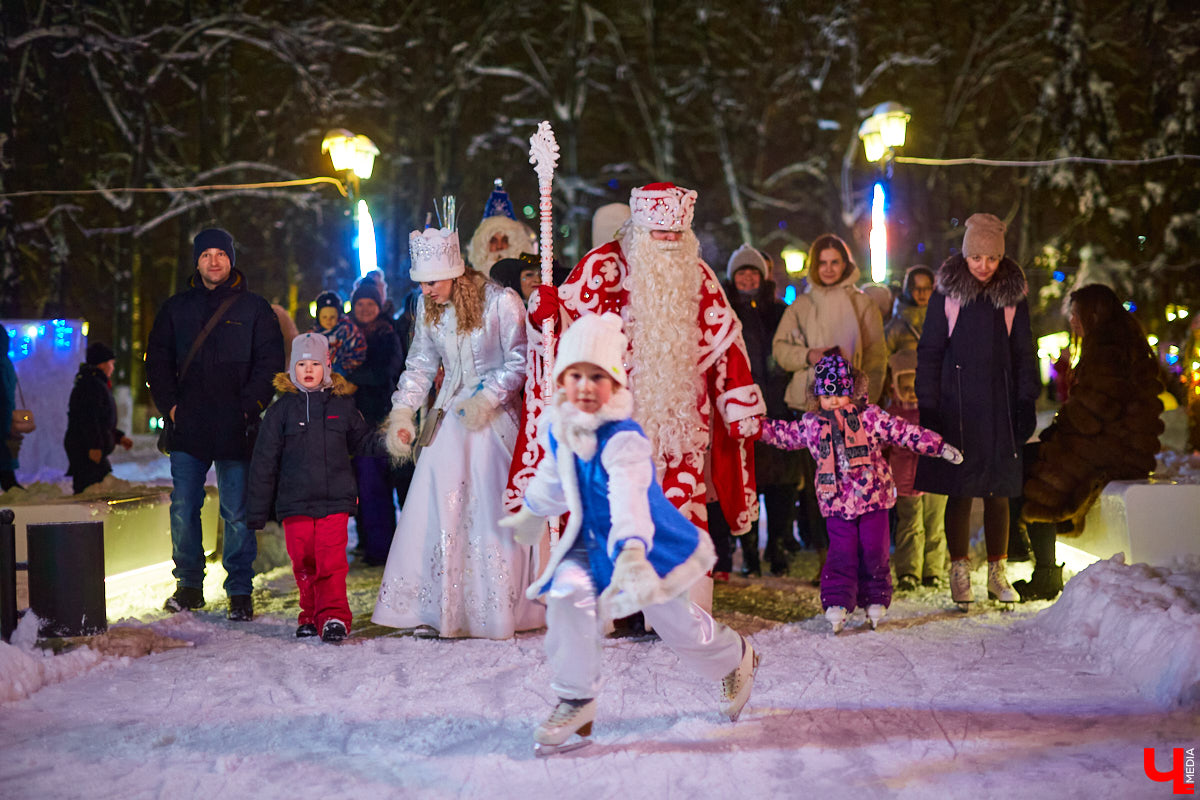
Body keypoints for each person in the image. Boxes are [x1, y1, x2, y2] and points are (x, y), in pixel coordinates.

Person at [499, 313, 760, 754]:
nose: (584, 386)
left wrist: (634, 549)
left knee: (673, 622)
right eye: (575, 374)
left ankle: (733, 656)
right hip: (591, 540)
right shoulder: (562, 429)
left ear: (615, 384)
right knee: (567, 597)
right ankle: (575, 698)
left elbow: (629, 498)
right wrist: (533, 511)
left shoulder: (624, 440)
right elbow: (552, 476)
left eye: (596, 376)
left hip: (640, 541)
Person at [515, 182, 764, 613]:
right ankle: (624, 609)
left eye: (676, 237)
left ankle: (679, 611)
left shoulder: (699, 275)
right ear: (640, 231)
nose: (669, 244)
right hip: (617, 421)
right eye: (660, 235)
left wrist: (737, 398)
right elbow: (566, 327)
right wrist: (545, 313)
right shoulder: (601, 267)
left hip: (682, 423)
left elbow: (726, 342)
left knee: (680, 515)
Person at [373, 223, 544, 639]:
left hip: (493, 420)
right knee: (438, 509)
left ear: (452, 272)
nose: (426, 291)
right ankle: (440, 608)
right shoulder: (427, 308)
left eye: (431, 283)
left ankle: (497, 608)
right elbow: (420, 365)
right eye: (421, 284)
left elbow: (519, 361)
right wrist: (403, 412)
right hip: (448, 420)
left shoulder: (500, 302)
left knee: (489, 510)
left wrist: (485, 400)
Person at [761, 350, 961, 632]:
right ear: (817, 395)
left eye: (838, 393)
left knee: (874, 550)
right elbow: (784, 434)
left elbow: (904, 432)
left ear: (851, 392)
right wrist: (755, 427)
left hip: (874, 500)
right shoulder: (813, 424)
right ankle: (837, 601)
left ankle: (875, 598)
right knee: (841, 552)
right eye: (825, 394)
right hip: (836, 503)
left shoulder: (869, 418)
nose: (832, 400)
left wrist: (938, 446)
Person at [146, 227, 284, 620]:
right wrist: (171, 407)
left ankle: (239, 589)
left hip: (236, 424)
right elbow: (157, 360)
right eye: (206, 254)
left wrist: (249, 407)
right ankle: (189, 585)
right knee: (184, 505)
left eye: (220, 254)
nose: (213, 261)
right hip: (188, 423)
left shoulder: (255, 309)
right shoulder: (176, 308)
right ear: (197, 261)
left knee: (237, 511)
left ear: (231, 258)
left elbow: (269, 363)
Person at [914, 213, 1039, 610]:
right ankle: (959, 568)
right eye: (976, 258)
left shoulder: (1013, 296)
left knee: (999, 490)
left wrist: (1025, 401)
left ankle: (997, 571)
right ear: (965, 256)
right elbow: (930, 352)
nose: (984, 266)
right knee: (961, 489)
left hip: (1000, 405)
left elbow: (1023, 353)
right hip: (957, 408)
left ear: (1001, 258)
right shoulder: (947, 294)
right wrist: (929, 406)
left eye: (991, 258)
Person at [1018, 283, 1164, 600]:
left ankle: (1043, 574)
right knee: (1034, 456)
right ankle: (1026, 554)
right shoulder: (1116, 342)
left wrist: (1059, 429)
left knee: (1042, 472)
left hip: (1117, 449)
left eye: (1075, 313)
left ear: (1093, 313)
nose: (1072, 320)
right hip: (1116, 443)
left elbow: (1094, 409)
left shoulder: (1107, 349)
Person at [246, 334, 385, 642]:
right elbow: (264, 462)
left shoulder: (342, 407)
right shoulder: (280, 413)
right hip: (294, 504)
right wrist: (256, 511)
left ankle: (334, 615)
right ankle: (309, 613)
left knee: (331, 561)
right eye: (301, 364)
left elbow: (364, 441)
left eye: (315, 364)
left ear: (327, 367)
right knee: (304, 562)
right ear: (291, 369)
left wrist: (393, 441)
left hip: (334, 501)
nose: (308, 370)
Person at [772, 233, 886, 584]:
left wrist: (869, 403)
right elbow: (780, 349)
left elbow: (878, 355)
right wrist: (809, 355)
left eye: (835, 261)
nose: (829, 268)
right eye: (823, 262)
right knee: (820, 489)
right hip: (812, 409)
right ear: (814, 266)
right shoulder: (802, 305)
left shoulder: (861, 303)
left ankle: (859, 562)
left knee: (859, 486)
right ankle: (829, 562)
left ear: (846, 263)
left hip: (853, 412)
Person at [711, 244, 800, 579]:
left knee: (782, 486)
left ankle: (777, 546)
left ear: (763, 277)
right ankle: (748, 551)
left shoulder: (780, 312)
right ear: (733, 278)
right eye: (741, 272)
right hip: (741, 409)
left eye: (753, 272)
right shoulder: (724, 311)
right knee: (746, 480)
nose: (747, 277)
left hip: (778, 407)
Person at [344, 279, 404, 566]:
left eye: (371, 304)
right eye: (360, 304)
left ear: (379, 307)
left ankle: (381, 549)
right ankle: (368, 543)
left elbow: (384, 372)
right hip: (348, 421)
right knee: (357, 488)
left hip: (377, 419)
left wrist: (351, 380)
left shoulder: (386, 334)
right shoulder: (344, 335)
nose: (365, 309)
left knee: (374, 485)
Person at [885, 349, 948, 591]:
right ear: (896, 385)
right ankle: (909, 570)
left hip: (934, 477)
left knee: (934, 524)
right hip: (904, 480)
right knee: (909, 526)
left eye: (915, 386)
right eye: (905, 386)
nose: (911, 391)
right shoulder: (892, 414)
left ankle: (932, 569)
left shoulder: (932, 412)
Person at [63, 341, 133, 494]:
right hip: (86, 449)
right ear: (102, 364)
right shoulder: (91, 385)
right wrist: (94, 446)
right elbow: (89, 418)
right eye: (111, 363)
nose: (113, 368)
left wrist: (118, 437)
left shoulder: (95, 383)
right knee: (91, 492)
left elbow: (102, 421)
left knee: (97, 487)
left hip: (87, 447)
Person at [466, 180, 538, 277]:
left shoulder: (527, 283)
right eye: (494, 241)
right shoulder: (472, 283)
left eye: (505, 240)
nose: (499, 246)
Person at [311, 290, 366, 378]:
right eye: (324, 317)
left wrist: (342, 368)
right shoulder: (313, 335)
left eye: (332, 317)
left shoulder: (348, 331)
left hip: (344, 376)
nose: (328, 320)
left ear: (339, 315)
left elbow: (358, 351)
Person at [0, 322, 22, 492]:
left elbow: (5, 395)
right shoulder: (6, 362)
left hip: (3, 420)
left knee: (5, 461)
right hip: (6, 419)